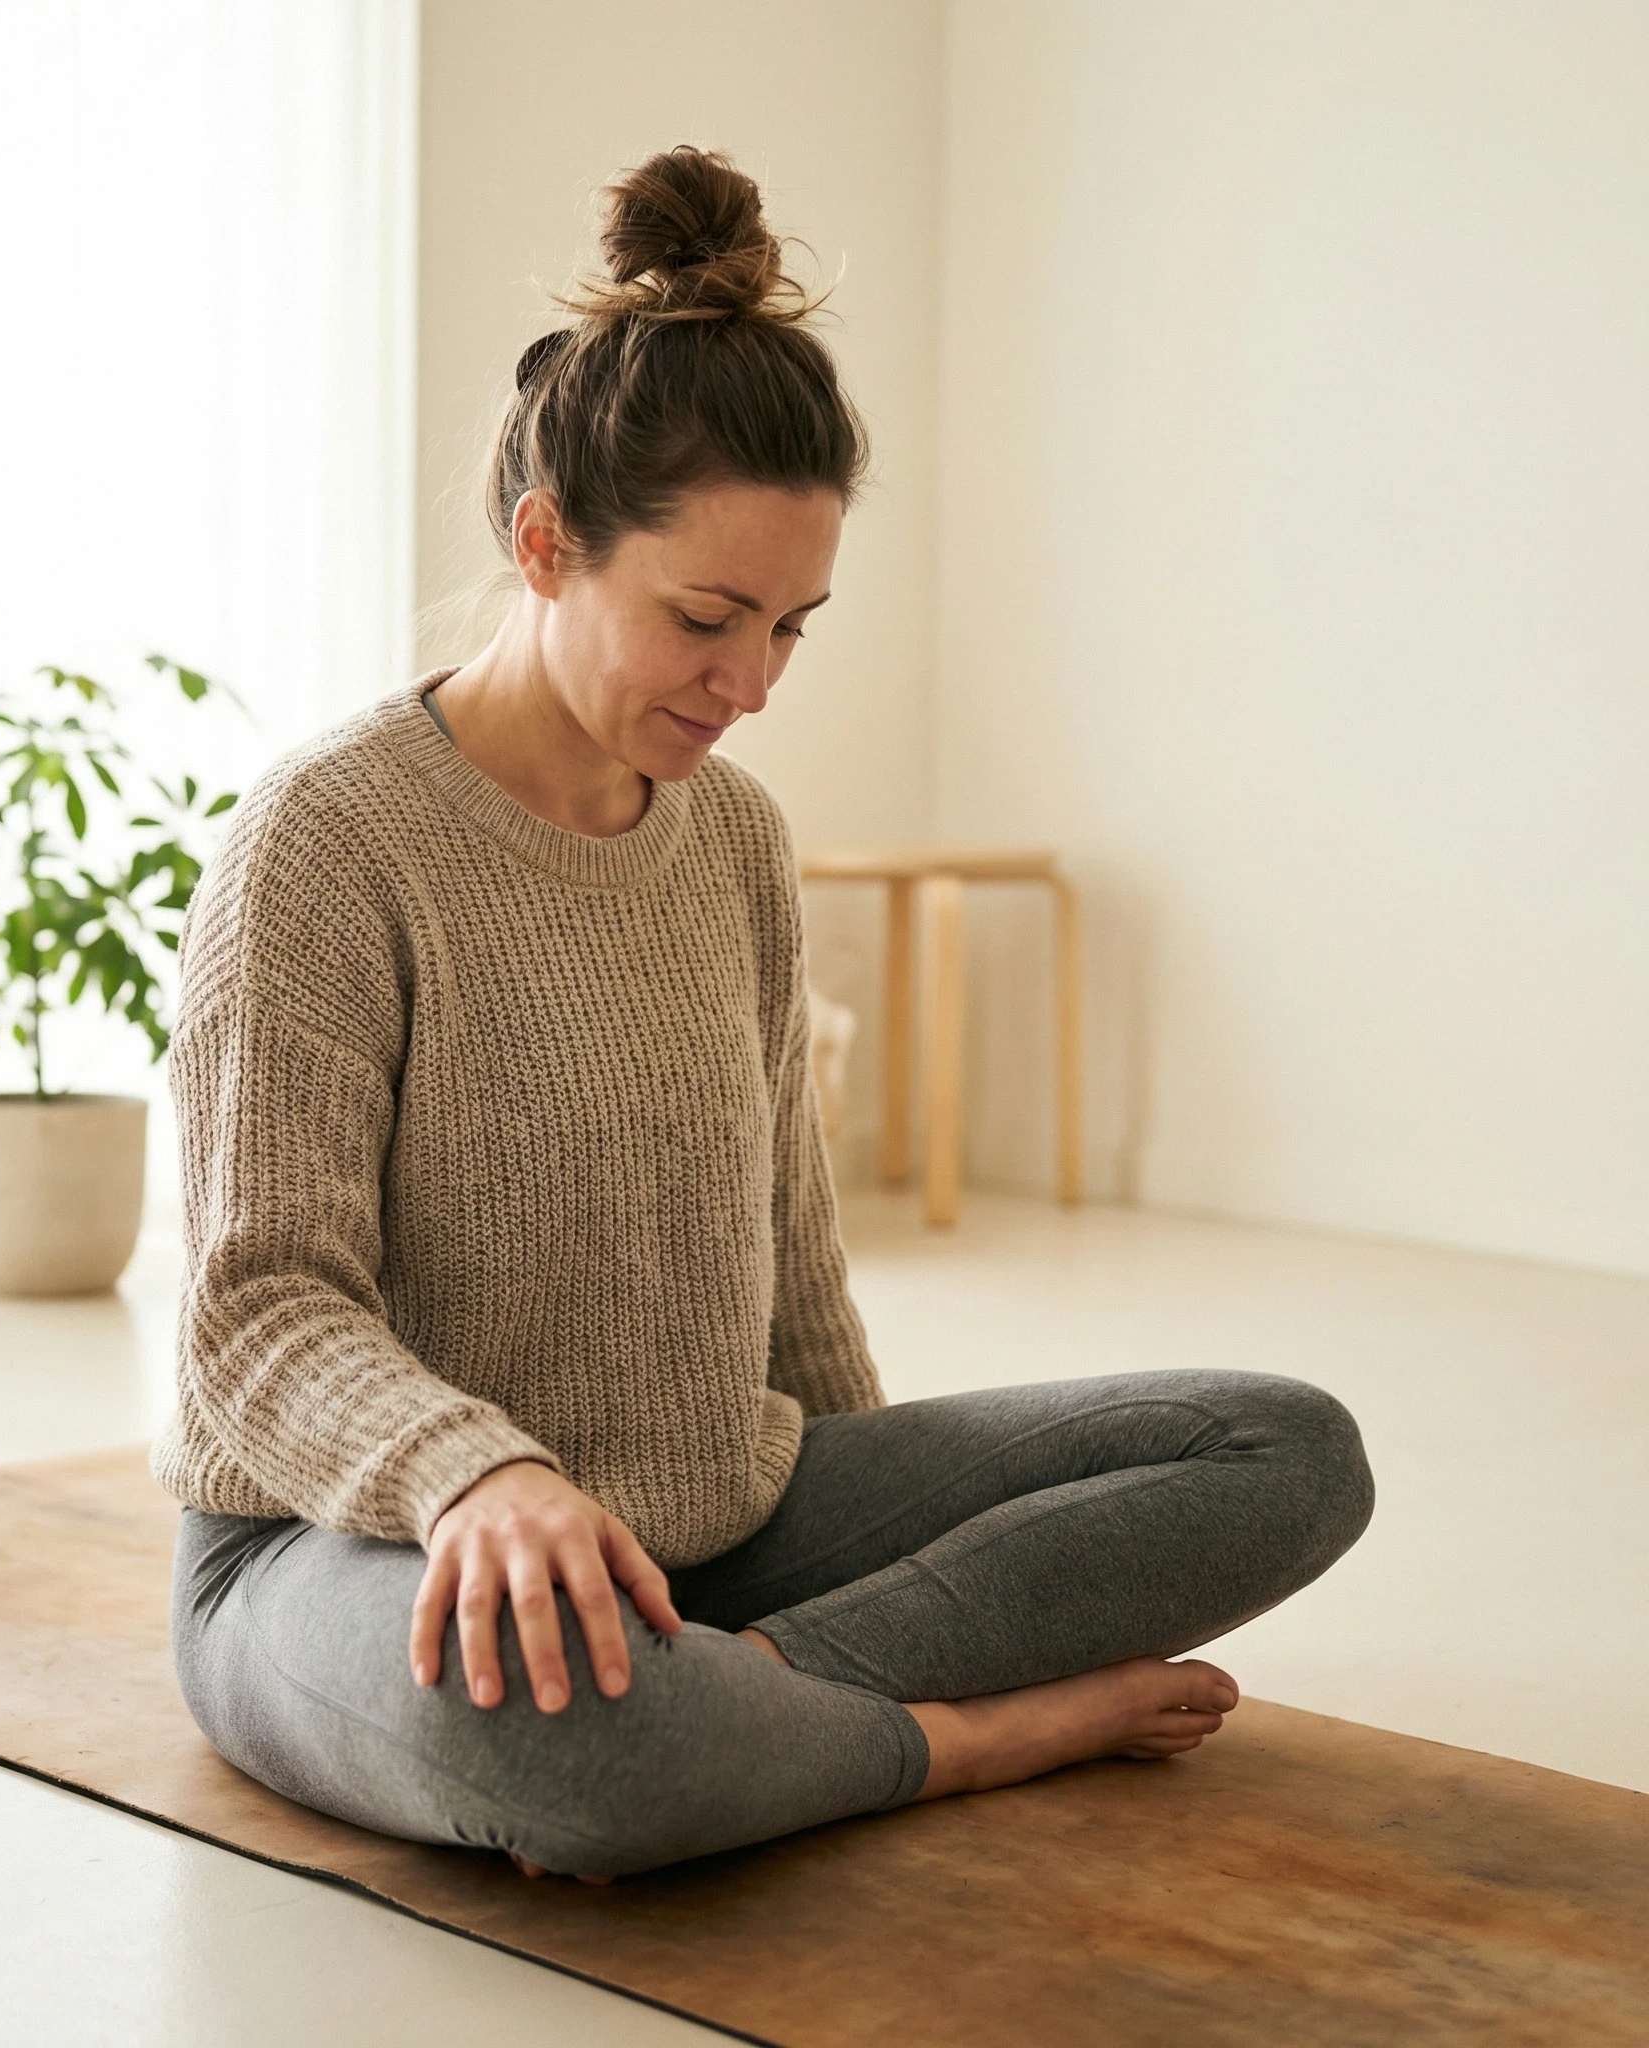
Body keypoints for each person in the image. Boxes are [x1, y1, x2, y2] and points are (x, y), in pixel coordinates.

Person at [153, 145, 1374, 1883]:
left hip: (718, 1514)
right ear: (545, 544)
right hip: (346, 1547)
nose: (751, 685)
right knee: (566, 1742)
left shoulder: (732, 838)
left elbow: (791, 1255)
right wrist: (476, 1477)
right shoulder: (329, 839)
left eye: (793, 626)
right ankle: (955, 1739)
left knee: (1289, 1453)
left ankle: (753, 1713)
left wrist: (882, 1523)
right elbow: (254, 1310)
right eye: (707, 618)